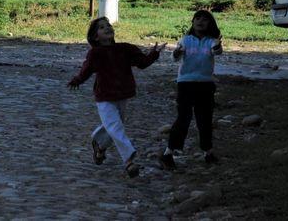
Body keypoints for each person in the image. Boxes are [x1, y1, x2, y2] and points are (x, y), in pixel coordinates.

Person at [68, 16, 166, 177]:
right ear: (94, 37)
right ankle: (129, 161)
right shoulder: (95, 53)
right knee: (115, 127)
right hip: (104, 96)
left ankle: (99, 144)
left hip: (123, 94)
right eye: (101, 27)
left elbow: (141, 63)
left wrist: (154, 54)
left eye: (108, 25)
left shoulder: (125, 49)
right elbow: (86, 70)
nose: (107, 28)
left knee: (113, 126)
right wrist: (77, 80)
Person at [159, 9, 223, 170]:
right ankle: (168, 153)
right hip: (186, 83)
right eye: (197, 18)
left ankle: (208, 152)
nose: (200, 21)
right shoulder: (185, 40)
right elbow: (175, 57)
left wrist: (217, 45)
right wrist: (177, 52)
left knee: (205, 120)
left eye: (205, 19)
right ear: (193, 22)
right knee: (183, 119)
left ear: (210, 24)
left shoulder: (211, 41)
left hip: (206, 84)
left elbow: (217, 52)